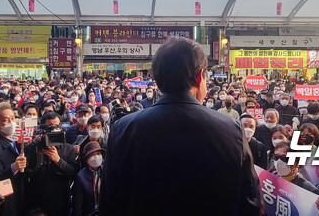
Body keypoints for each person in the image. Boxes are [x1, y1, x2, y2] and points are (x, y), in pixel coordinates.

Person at [101, 37, 261, 215]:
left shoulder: (123, 130)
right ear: (200, 76)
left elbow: (109, 203)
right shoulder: (232, 130)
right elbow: (250, 203)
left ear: (158, 79)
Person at [24, 111, 77, 216]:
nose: (53, 129)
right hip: (38, 200)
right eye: (50, 126)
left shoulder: (68, 148)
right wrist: (33, 145)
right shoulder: (34, 147)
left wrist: (58, 160)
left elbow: (73, 173)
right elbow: (25, 173)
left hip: (60, 200)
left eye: (56, 125)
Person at [0, 102, 27, 216]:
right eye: (5, 120)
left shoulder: (17, 143)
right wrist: (13, 167)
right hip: (7, 203)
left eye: (12, 118)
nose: (11, 123)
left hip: (21, 196)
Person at [271, 141, 319, 214]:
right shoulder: (270, 179)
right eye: (276, 157)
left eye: (284, 158)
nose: (279, 161)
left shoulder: (309, 191)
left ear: (297, 162)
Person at [73, 141, 104, 216]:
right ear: (87, 159)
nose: (96, 157)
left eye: (98, 154)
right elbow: (78, 204)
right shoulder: (81, 177)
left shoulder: (106, 171)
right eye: (92, 155)